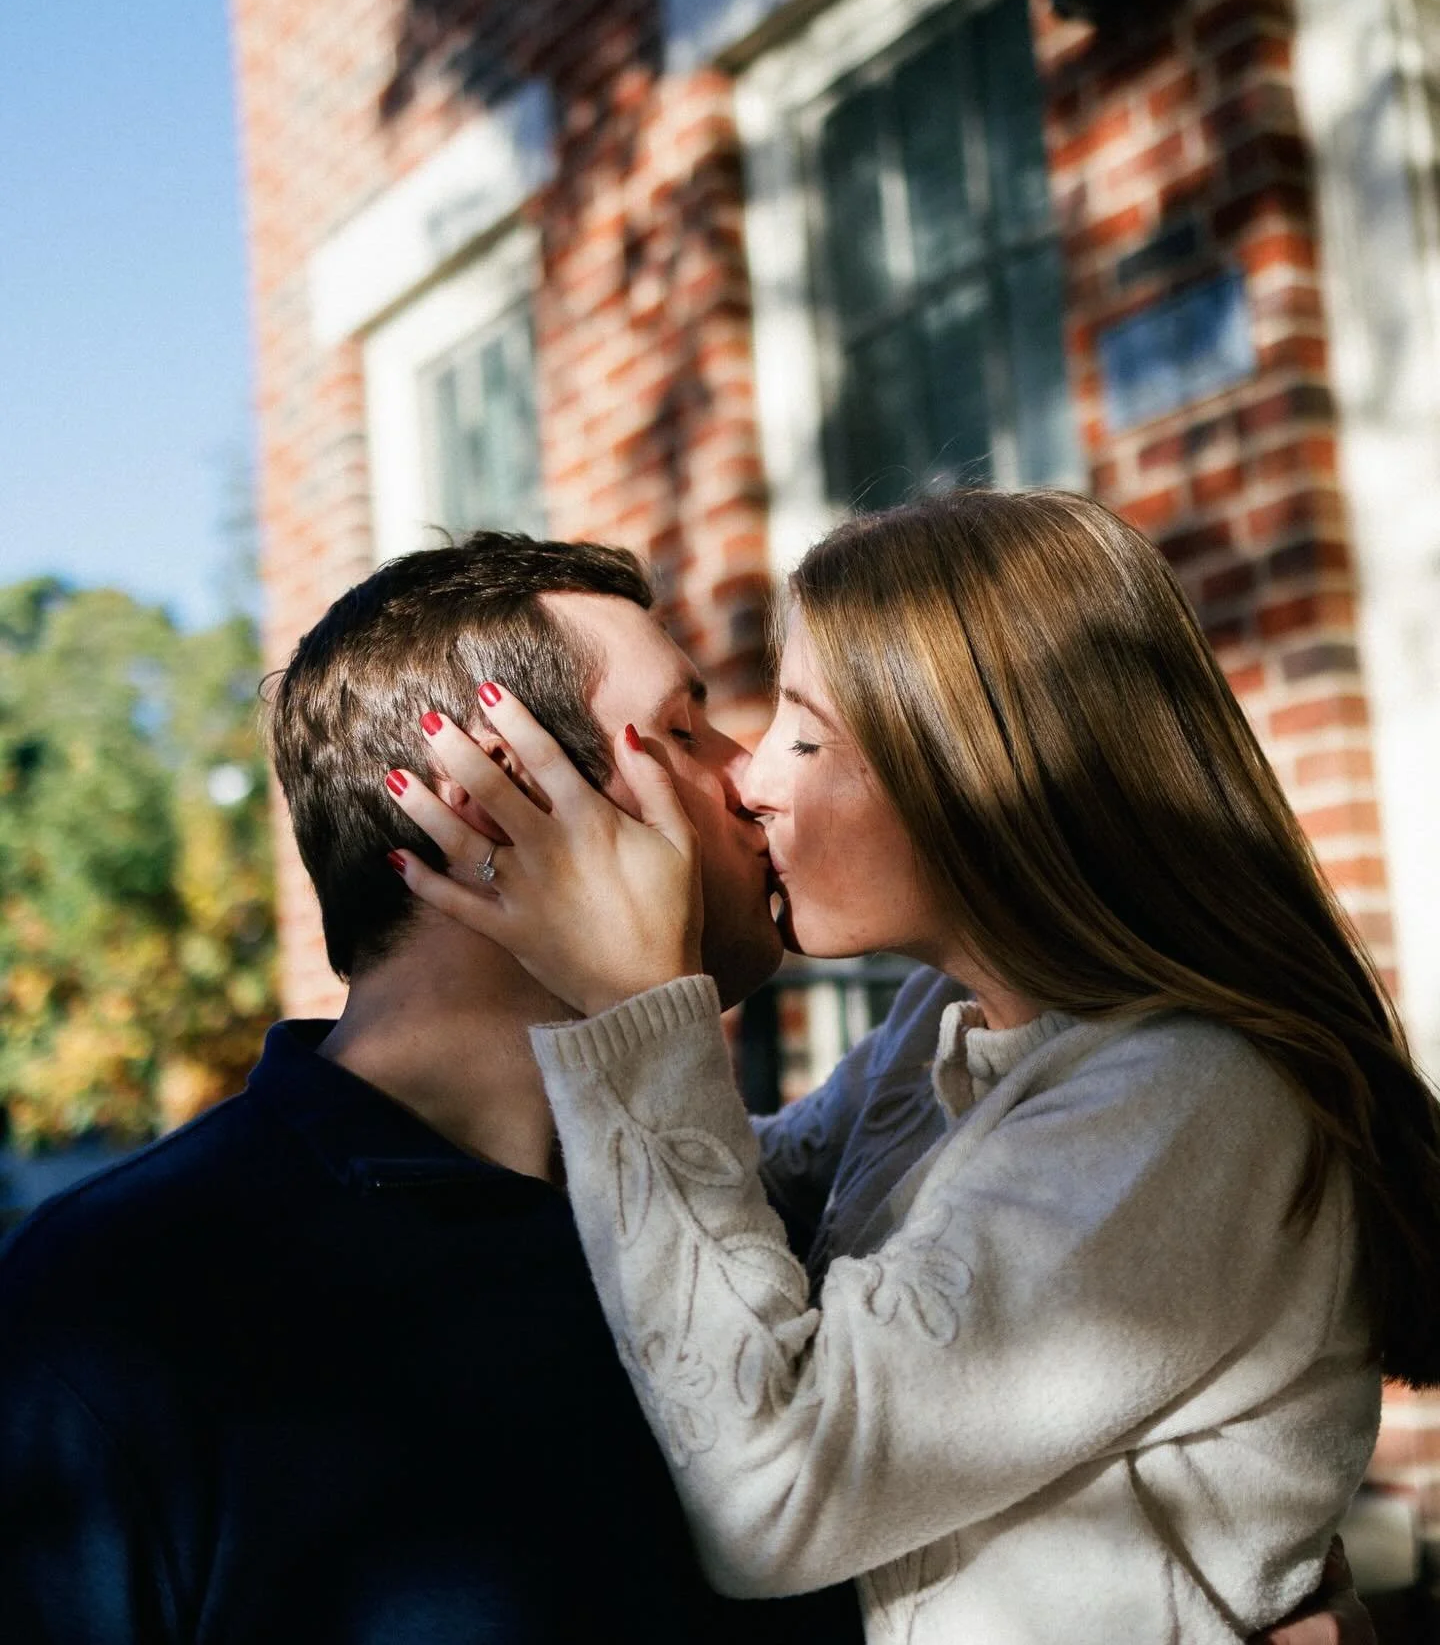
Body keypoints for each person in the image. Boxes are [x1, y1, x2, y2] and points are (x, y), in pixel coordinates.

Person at [390, 490, 1440, 1645]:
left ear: (978, 768)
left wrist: (641, 1010)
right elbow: (750, 1215)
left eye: (805, 731)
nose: (754, 782)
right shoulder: (945, 1028)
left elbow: (772, 1494)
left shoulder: (1191, 1099)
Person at [0, 534, 861, 1644]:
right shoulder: (110, 1310)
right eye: (686, 732)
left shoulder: (764, 1227)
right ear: (492, 803)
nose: (755, 779)